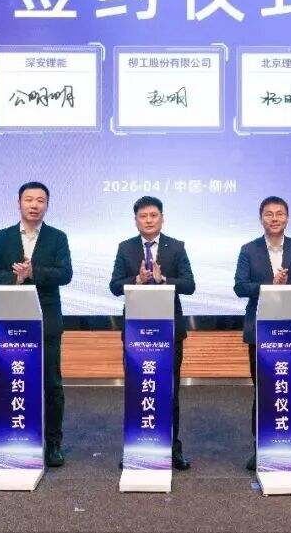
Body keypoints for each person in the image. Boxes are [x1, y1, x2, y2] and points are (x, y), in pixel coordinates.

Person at [0, 182, 72, 467]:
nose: (34, 205)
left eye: (40, 200)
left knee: (52, 384)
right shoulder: (2, 237)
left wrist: (34, 272)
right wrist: (16, 278)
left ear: (47, 205)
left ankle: (53, 443)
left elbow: (65, 274)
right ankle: (17, 439)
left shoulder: (57, 237)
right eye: (29, 199)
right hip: (11, 321)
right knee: (14, 381)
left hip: (46, 321)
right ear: (19, 203)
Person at [109, 196, 196, 470]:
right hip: (136, 333)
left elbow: (190, 285)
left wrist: (163, 280)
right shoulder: (125, 248)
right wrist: (136, 280)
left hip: (169, 332)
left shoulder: (176, 246)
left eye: (153, 215)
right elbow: (114, 286)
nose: (148, 220)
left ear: (162, 218)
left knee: (170, 391)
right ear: (136, 220)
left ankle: (172, 448)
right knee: (138, 389)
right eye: (143, 216)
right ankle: (136, 447)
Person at [233, 196, 291, 472]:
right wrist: (269, 284)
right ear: (261, 219)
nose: (274, 218)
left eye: (279, 214)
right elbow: (240, 286)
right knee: (264, 390)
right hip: (261, 331)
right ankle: (261, 449)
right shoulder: (248, 250)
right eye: (268, 214)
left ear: (287, 218)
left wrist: (288, 282)